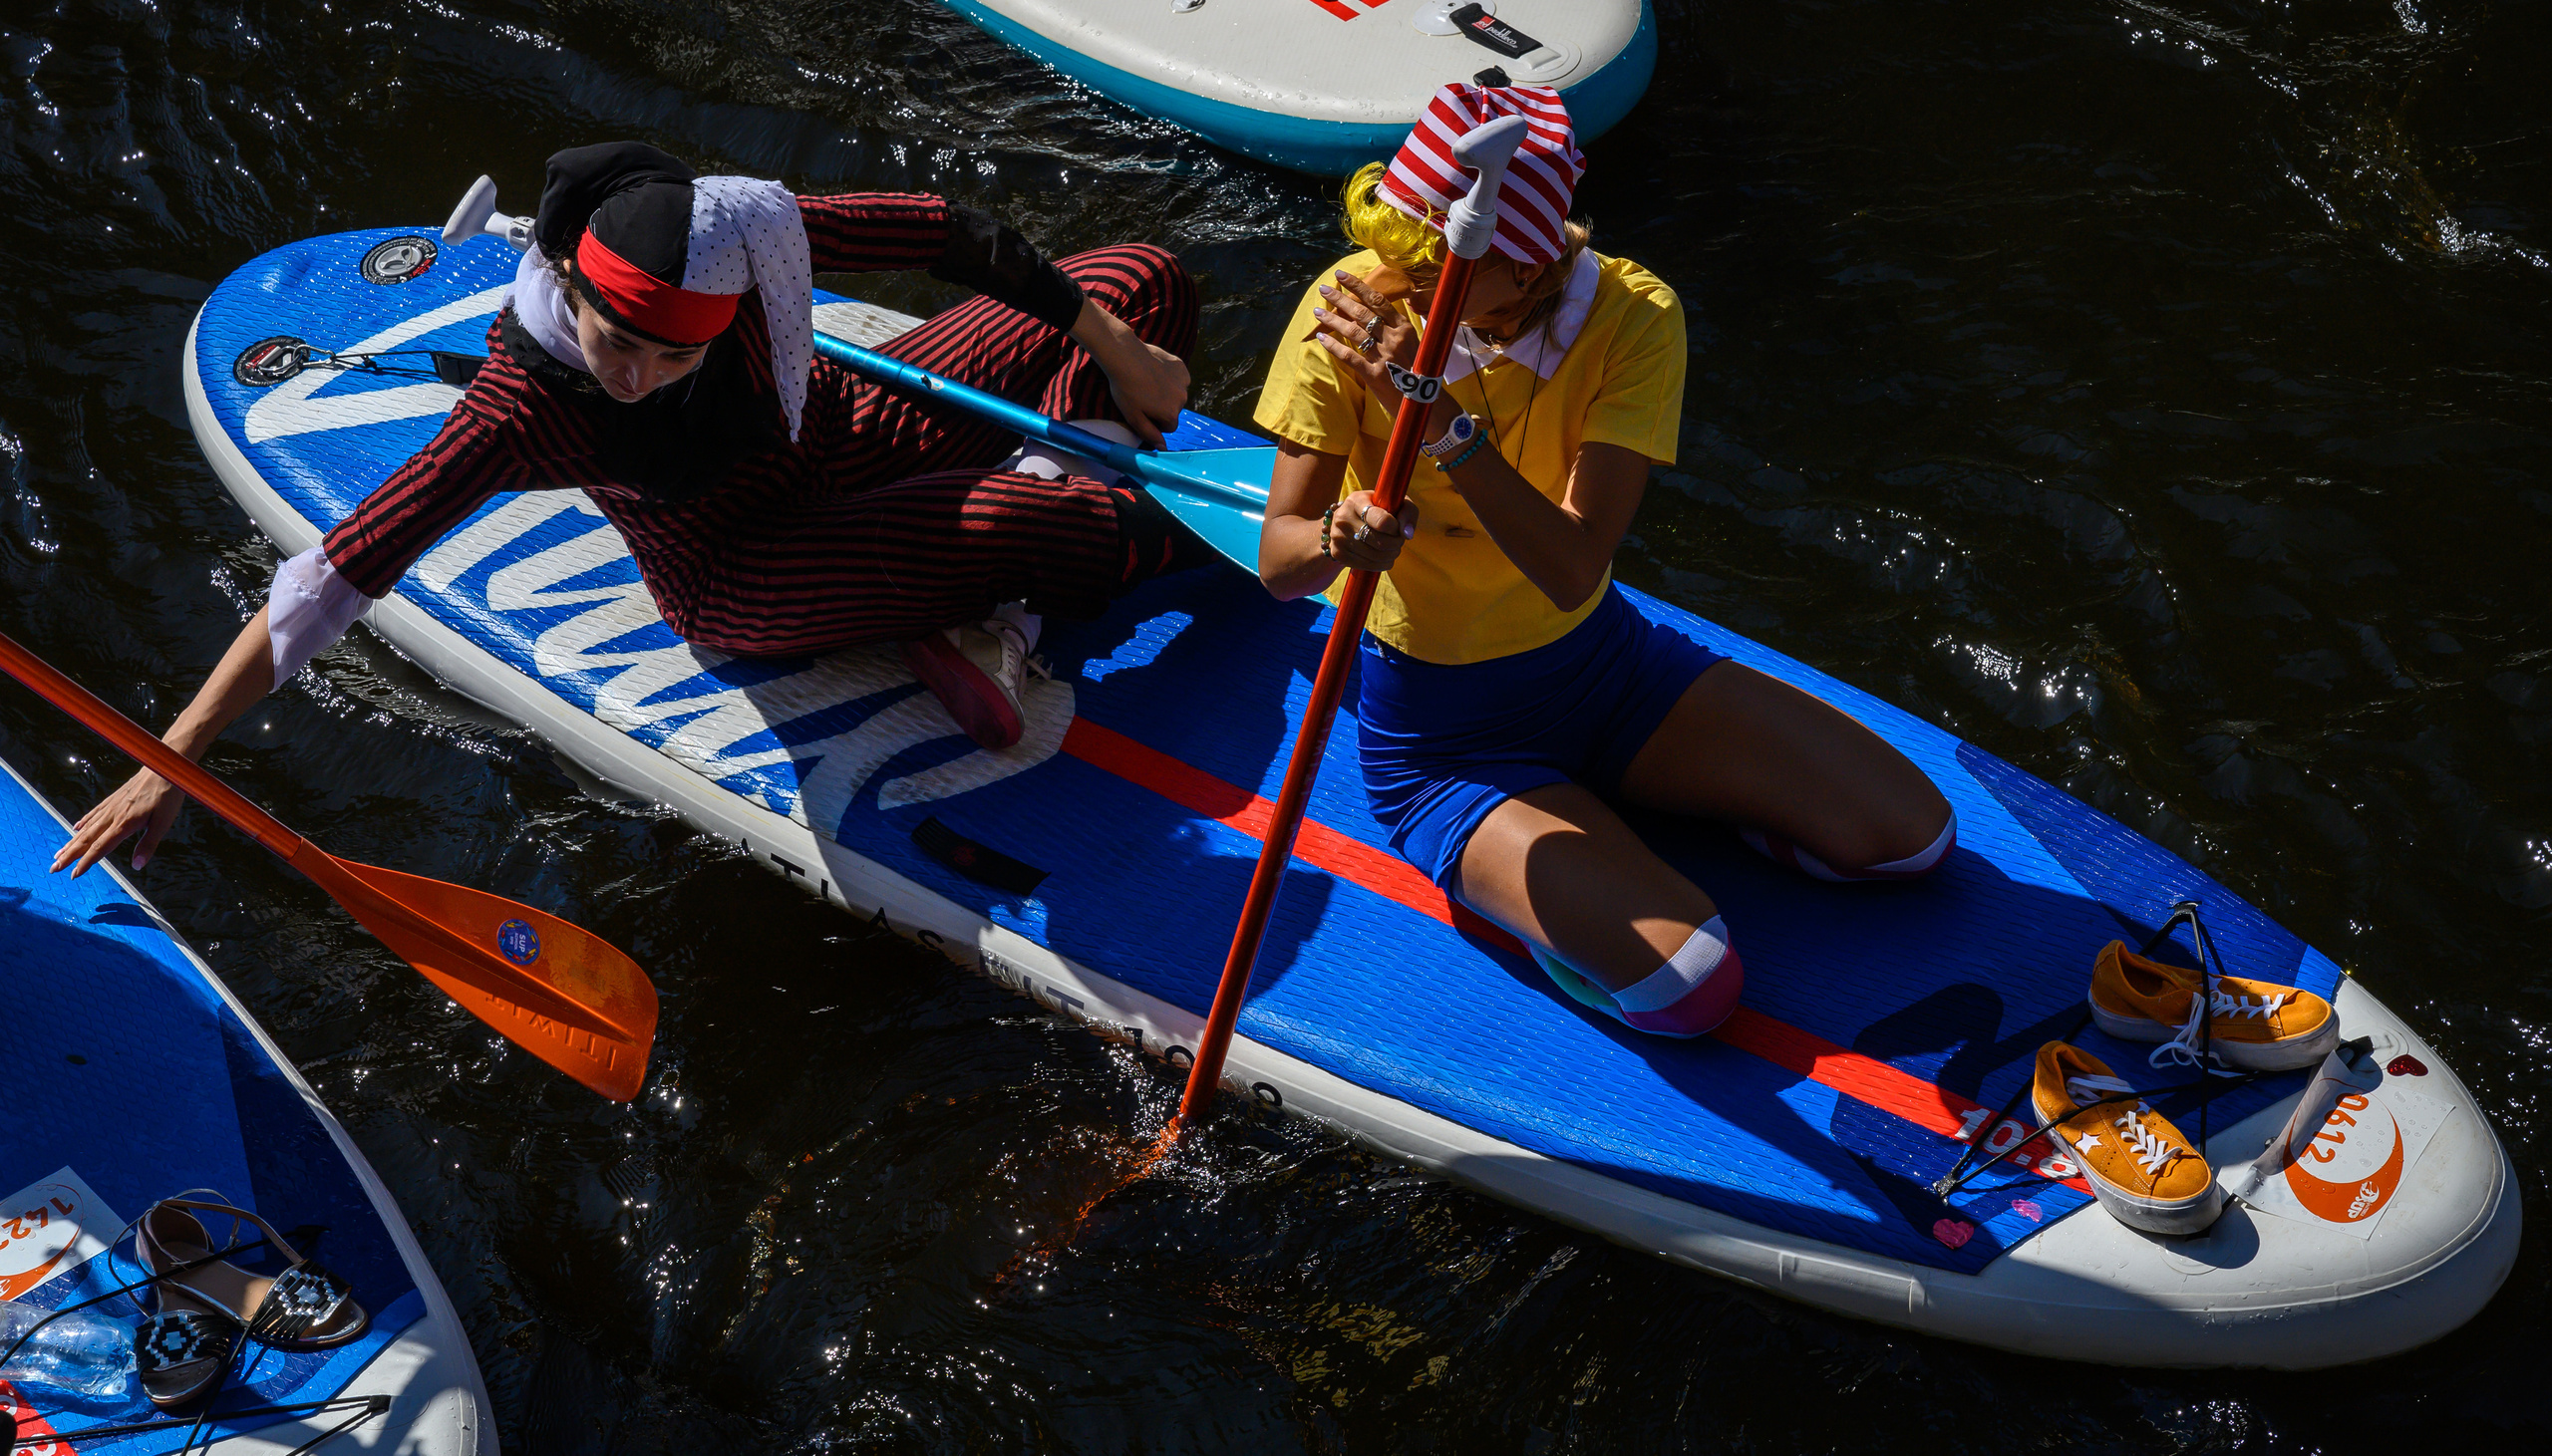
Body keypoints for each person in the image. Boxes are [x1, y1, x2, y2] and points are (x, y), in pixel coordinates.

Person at [58, 142, 1210, 876]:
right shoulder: (519, 410)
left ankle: (997, 579)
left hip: (842, 436)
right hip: (745, 566)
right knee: (1022, 524)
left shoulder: (741, 230)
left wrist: (1115, 350)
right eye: (620, 344)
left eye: (676, 358)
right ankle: (1096, 545)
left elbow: (951, 234)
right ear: (566, 279)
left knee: (1136, 283)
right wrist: (173, 759)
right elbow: (336, 575)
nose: (639, 378)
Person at [1252, 86, 1956, 1037]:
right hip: (1444, 740)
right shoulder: (1351, 315)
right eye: (1391, 246)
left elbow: (1573, 569)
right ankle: (1552, 883)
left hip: (1605, 670)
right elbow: (1281, 564)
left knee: (1914, 839)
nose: (1391, 280)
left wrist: (1438, 420)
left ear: (1525, 263)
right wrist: (1339, 536)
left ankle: (1675, 805)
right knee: (1692, 987)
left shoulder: (1631, 314)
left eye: (1425, 263)